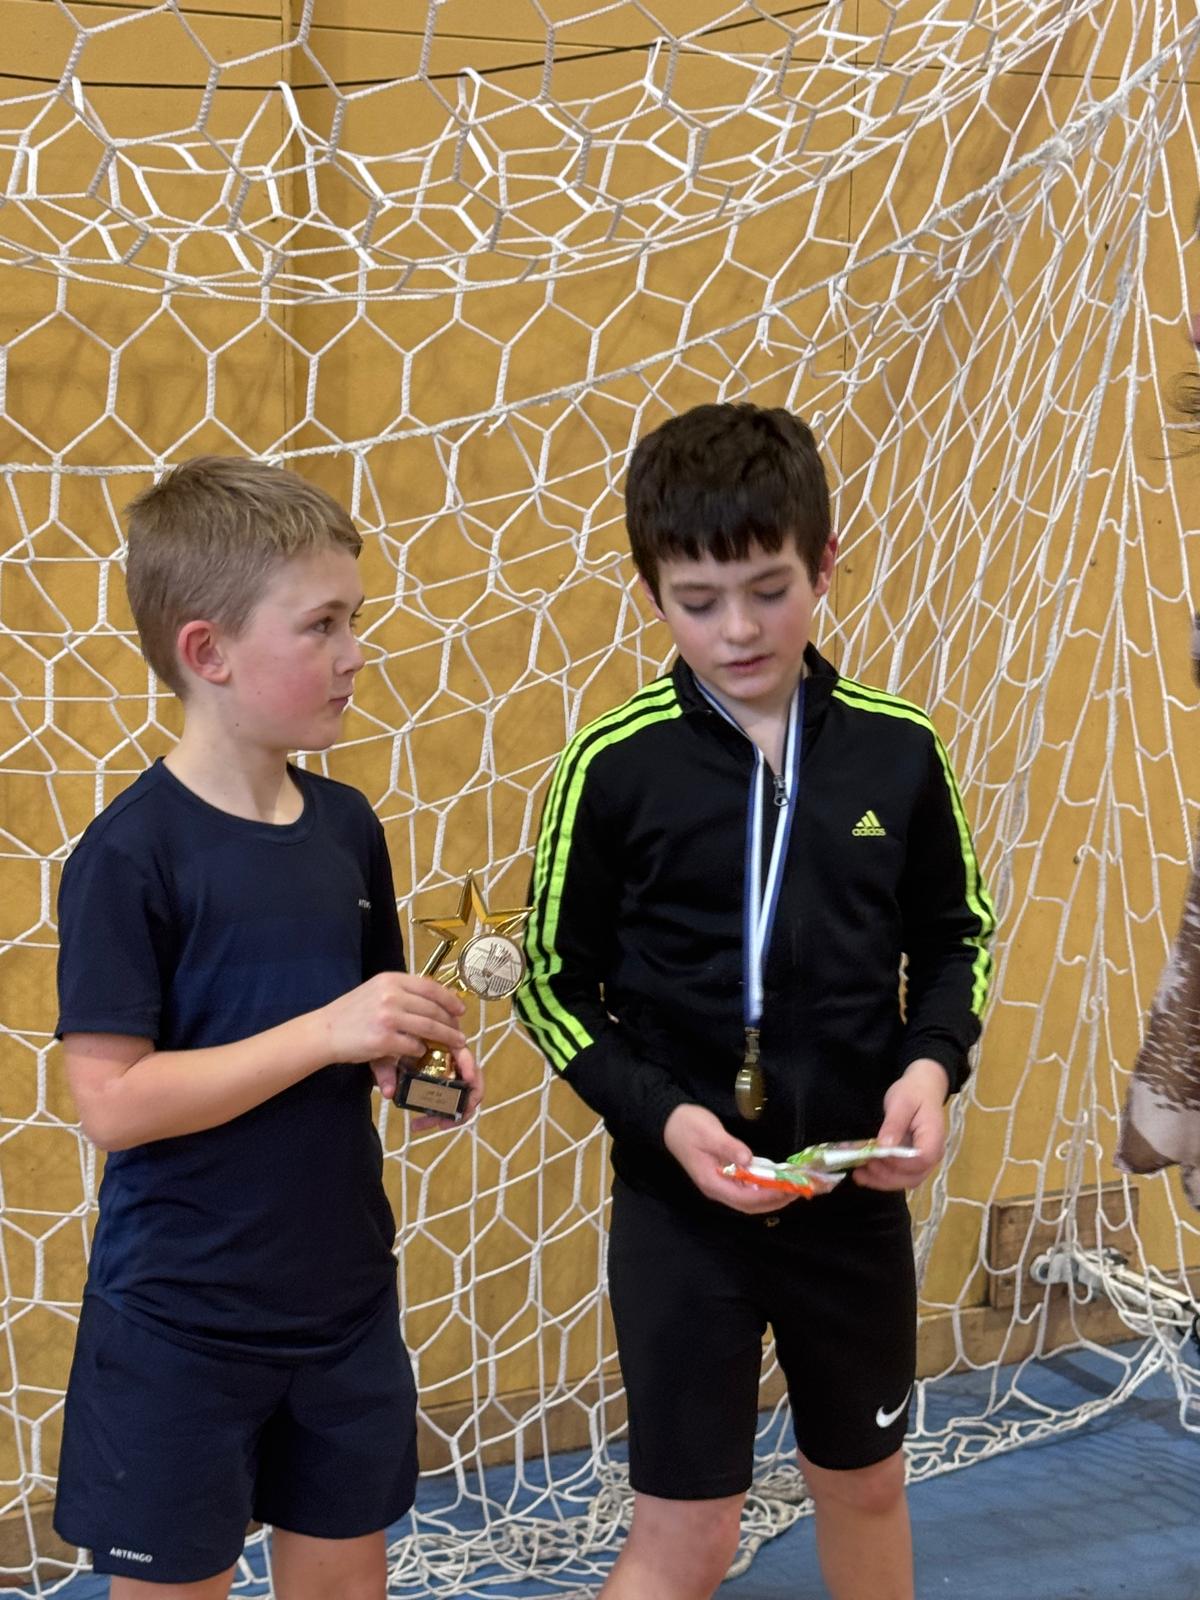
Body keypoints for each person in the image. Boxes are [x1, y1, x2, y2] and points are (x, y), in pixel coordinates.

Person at [516, 403, 994, 1600]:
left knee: (868, 1485)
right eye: (697, 600)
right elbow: (550, 984)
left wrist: (929, 1069)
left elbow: (956, 939)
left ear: (825, 563)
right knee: (691, 1530)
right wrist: (667, 1118)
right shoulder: (612, 766)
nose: (737, 629)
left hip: (851, 1205)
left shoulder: (898, 749)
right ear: (651, 593)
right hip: (682, 1213)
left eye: (770, 590)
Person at [52, 457, 481, 1600]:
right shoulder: (129, 855)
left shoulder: (348, 826)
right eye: (323, 624)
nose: (355, 652)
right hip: (181, 1324)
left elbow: (364, 1027)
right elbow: (113, 1104)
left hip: (341, 1303)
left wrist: (414, 1058)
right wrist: (329, 1030)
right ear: (209, 651)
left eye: (356, 619)